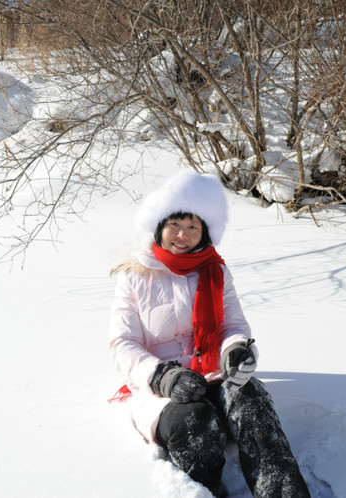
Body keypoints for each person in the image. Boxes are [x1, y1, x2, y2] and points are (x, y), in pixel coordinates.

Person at [108, 170, 310, 498]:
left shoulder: (216, 271)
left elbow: (234, 328)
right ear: (160, 225)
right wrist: (162, 376)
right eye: (175, 224)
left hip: (212, 376)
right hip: (159, 390)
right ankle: (208, 490)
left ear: (204, 233)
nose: (182, 234)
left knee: (251, 397)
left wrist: (236, 352)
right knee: (195, 418)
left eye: (193, 227)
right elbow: (122, 343)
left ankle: (282, 489)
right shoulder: (135, 277)